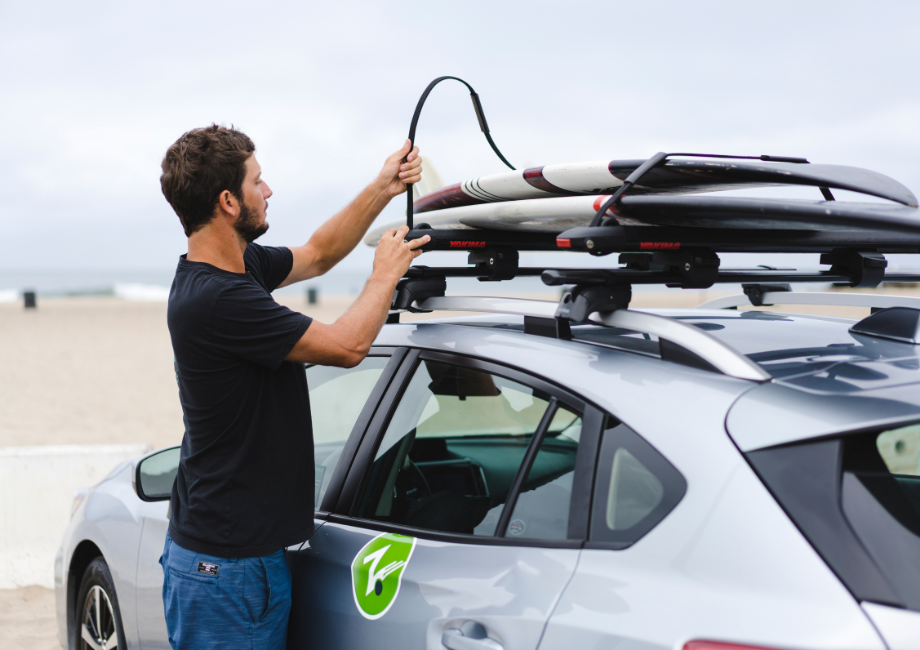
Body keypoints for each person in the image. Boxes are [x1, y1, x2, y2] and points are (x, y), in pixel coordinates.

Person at [157, 124, 429, 650]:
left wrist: (382, 186)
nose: (270, 191)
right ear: (229, 201)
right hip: (228, 567)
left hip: (233, 556)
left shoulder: (237, 268)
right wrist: (384, 275)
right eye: (259, 182)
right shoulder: (219, 301)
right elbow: (347, 348)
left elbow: (320, 253)